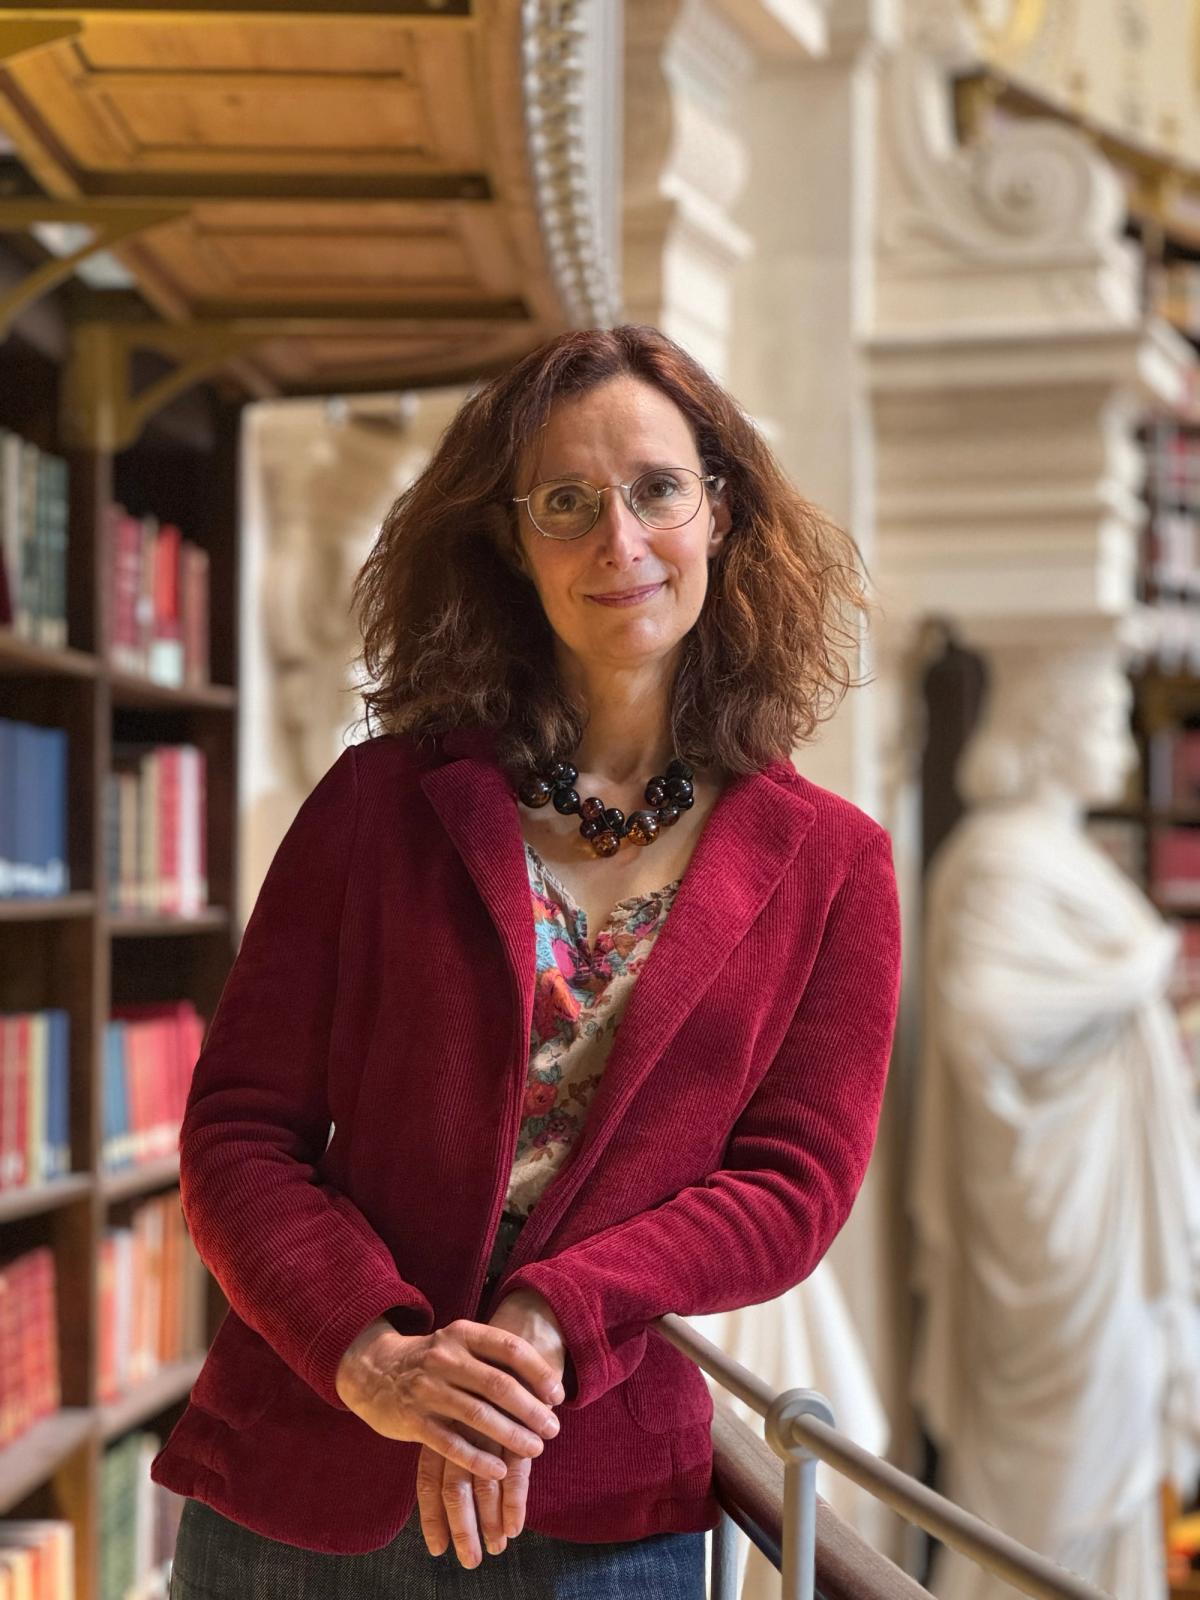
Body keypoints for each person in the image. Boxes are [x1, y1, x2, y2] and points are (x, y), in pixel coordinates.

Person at [152, 323, 903, 1599]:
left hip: (602, 1509)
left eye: (657, 487)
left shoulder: (834, 866)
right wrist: (376, 1358)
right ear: (512, 539)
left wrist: (555, 1315)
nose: (620, 540)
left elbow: (795, 1187)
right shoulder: (376, 804)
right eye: (567, 501)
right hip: (309, 1479)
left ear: (718, 508)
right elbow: (236, 1134)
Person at [911, 640, 1200, 1599]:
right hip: (1052, 1225)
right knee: (1058, 1466)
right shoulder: (998, 858)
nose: (1121, 742)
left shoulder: (1058, 854)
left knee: (1115, 1462)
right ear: (1047, 732)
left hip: (1102, 1203)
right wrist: (1134, 975)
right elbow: (986, 1020)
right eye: (1105, 722)